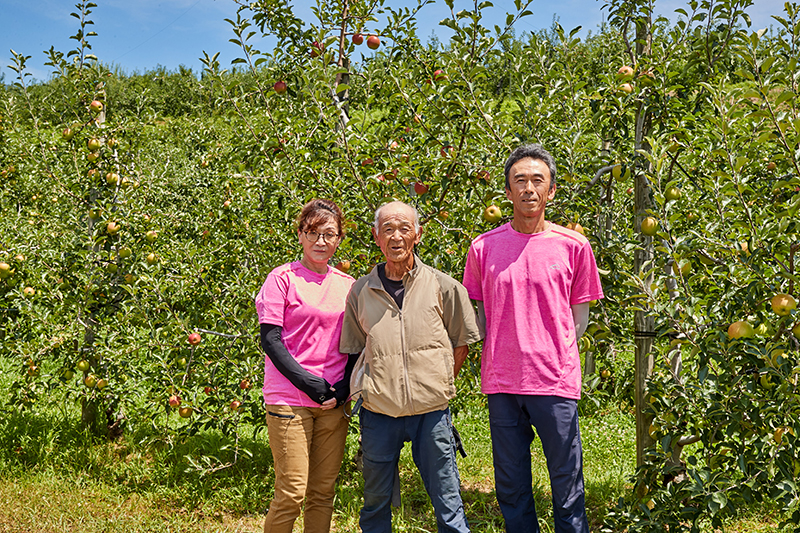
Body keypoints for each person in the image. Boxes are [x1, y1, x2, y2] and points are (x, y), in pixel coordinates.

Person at [462, 144, 604, 533]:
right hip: (503, 381)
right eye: (519, 181)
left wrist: (553, 350)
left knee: (567, 482)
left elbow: (580, 317)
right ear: (507, 192)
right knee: (511, 484)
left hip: (555, 381)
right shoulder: (483, 247)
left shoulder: (573, 246)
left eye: (537, 180)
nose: (529, 188)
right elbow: (479, 313)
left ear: (551, 190)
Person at [339, 201, 481, 533]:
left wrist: (436, 382)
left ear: (418, 234)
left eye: (404, 228)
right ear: (376, 237)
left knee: (448, 500)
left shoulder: (444, 287)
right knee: (375, 502)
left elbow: (461, 342)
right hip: (379, 413)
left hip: (431, 414)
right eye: (388, 229)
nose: (396, 236)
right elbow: (355, 351)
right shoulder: (360, 291)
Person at [254, 198, 357, 533]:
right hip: (290, 399)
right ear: (300, 234)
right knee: (292, 492)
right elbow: (270, 340)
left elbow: (355, 344)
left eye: (329, 234)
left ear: (339, 238)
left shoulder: (348, 285)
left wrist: (344, 388)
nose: (321, 241)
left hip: (332, 402)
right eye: (313, 233)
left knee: (323, 492)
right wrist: (307, 382)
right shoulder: (282, 279)